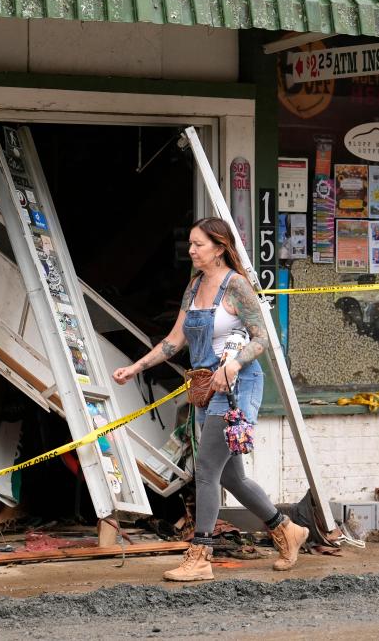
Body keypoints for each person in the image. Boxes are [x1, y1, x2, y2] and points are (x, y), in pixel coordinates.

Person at [113, 217, 308, 581]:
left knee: (205, 470)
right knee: (230, 477)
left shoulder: (237, 287)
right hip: (205, 389)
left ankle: (201, 555)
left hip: (237, 388)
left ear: (219, 247)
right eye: (190, 243)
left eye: (198, 244)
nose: (191, 250)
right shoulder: (193, 287)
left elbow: (262, 338)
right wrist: (136, 367)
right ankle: (287, 529)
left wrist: (234, 364)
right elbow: (175, 340)